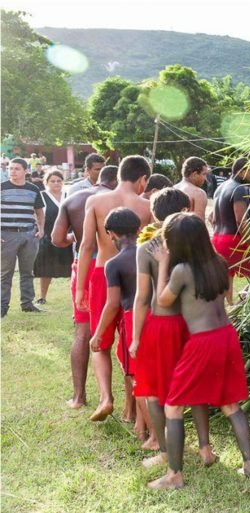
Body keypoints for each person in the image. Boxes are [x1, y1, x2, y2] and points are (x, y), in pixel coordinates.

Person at [148, 212, 250, 489]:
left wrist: (162, 264)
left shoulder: (182, 270)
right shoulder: (219, 263)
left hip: (203, 341)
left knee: (173, 406)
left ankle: (174, 475)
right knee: (230, 404)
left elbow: (163, 300)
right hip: (226, 336)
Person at [130, 188, 216, 467]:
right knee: (197, 385)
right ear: (187, 209)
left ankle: (165, 450)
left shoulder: (147, 248)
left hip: (162, 323)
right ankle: (205, 447)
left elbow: (143, 297)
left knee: (154, 389)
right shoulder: (196, 244)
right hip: (195, 324)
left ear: (154, 215)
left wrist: (135, 338)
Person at [76, 156, 151, 422]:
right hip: (135, 276)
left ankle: (106, 397)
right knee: (132, 343)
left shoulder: (95, 201)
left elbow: (86, 246)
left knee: (101, 341)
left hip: (102, 273)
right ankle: (132, 409)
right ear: (142, 179)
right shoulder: (146, 205)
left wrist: (80, 289)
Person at [51, 165, 118, 409]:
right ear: (115, 180)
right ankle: (132, 408)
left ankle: (79, 397)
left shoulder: (75, 199)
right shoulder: (120, 198)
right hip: (118, 265)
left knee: (83, 330)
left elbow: (57, 239)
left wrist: (74, 238)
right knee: (123, 328)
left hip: (86, 267)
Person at [88, 207, 150, 440]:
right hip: (159, 316)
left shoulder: (114, 263)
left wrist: (98, 334)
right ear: (138, 229)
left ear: (110, 234)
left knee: (137, 377)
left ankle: (151, 434)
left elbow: (112, 304)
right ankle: (142, 427)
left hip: (132, 319)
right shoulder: (153, 253)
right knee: (150, 372)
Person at [211, 157, 250, 304]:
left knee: (227, 274)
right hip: (234, 239)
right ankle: (245, 304)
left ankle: (230, 306)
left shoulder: (220, 187)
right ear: (242, 171)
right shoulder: (239, 189)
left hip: (218, 237)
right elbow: (240, 220)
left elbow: (212, 218)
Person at [1, 158, 45, 317]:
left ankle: (27, 304)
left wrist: (41, 230)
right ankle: (2, 307)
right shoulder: (2, 187)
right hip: (6, 235)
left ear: (26, 171)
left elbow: (39, 211)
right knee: (5, 273)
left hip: (29, 234)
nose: (12, 171)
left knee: (28, 271)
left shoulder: (33, 189)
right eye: (11, 168)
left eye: (17, 169)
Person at [33, 170, 74, 304]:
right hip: (48, 237)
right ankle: (42, 297)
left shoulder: (69, 195)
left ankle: (74, 297)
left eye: (59, 181)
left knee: (72, 268)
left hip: (67, 237)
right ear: (47, 182)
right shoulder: (42, 196)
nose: (56, 183)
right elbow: (37, 216)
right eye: (52, 181)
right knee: (46, 269)